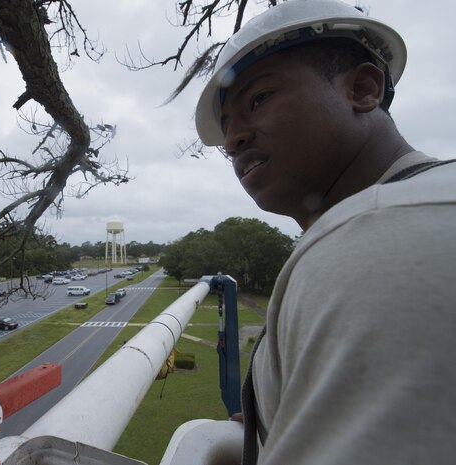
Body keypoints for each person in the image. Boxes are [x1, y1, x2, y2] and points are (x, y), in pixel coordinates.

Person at [194, 1, 456, 464]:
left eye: (259, 99)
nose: (234, 140)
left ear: (362, 89)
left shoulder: (377, 240)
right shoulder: (403, 209)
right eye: (228, 128)